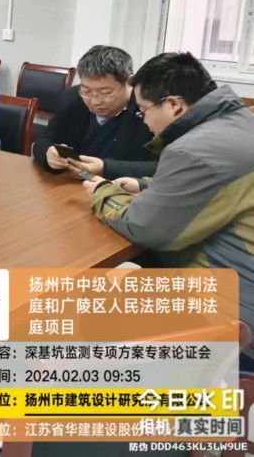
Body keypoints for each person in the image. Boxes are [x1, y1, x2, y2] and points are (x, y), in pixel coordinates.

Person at [84, 53, 254, 363]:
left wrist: (102, 191)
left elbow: (145, 228)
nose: (145, 121)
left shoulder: (194, 149)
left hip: (233, 318)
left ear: (173, 104)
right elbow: (215, 186)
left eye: (143, 111)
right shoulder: (241, 122)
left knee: (92, 305)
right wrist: (145, 185)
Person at [32, 45, 158, 179]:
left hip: (120, 187)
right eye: (86, 91)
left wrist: (105, 168)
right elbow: (45, 139)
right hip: (73, 183)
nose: (95, 101)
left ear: (129, 82)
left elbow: (162, 166)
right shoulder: (73, 99)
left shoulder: (150, 109)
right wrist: (49, 155)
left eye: (105, 93)